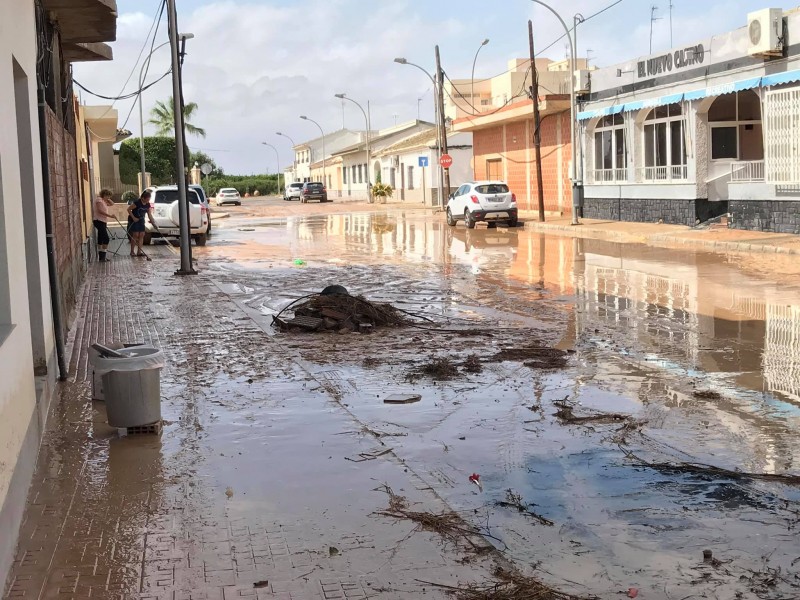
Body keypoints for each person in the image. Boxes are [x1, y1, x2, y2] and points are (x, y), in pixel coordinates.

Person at [127, 190, 154, 257]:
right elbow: (128, 209)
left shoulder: (147, 204)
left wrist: (152, 221)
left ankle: (139, 252)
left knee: (142, 234)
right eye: (147, 199)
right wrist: (133, 218)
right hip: (134, 220)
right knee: (135, 235)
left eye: (149, 199)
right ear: (143, 198)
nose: (148, 200)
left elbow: (149, 214)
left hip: (141, 220)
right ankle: (132, 252)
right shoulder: (137, 203)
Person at [93, 188, 115, 262]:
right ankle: (102, 256)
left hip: (103, 221)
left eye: (109, 196)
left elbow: (112, 204)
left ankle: (101, 257)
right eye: (107, 196)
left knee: (101, 238)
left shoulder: (104, 201)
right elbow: (100, 211)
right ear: (104, 195)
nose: (108, 198)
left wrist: (108, 199)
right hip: (98, 220)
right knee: (106, 238)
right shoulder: (99, 200)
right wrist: (110, 216)